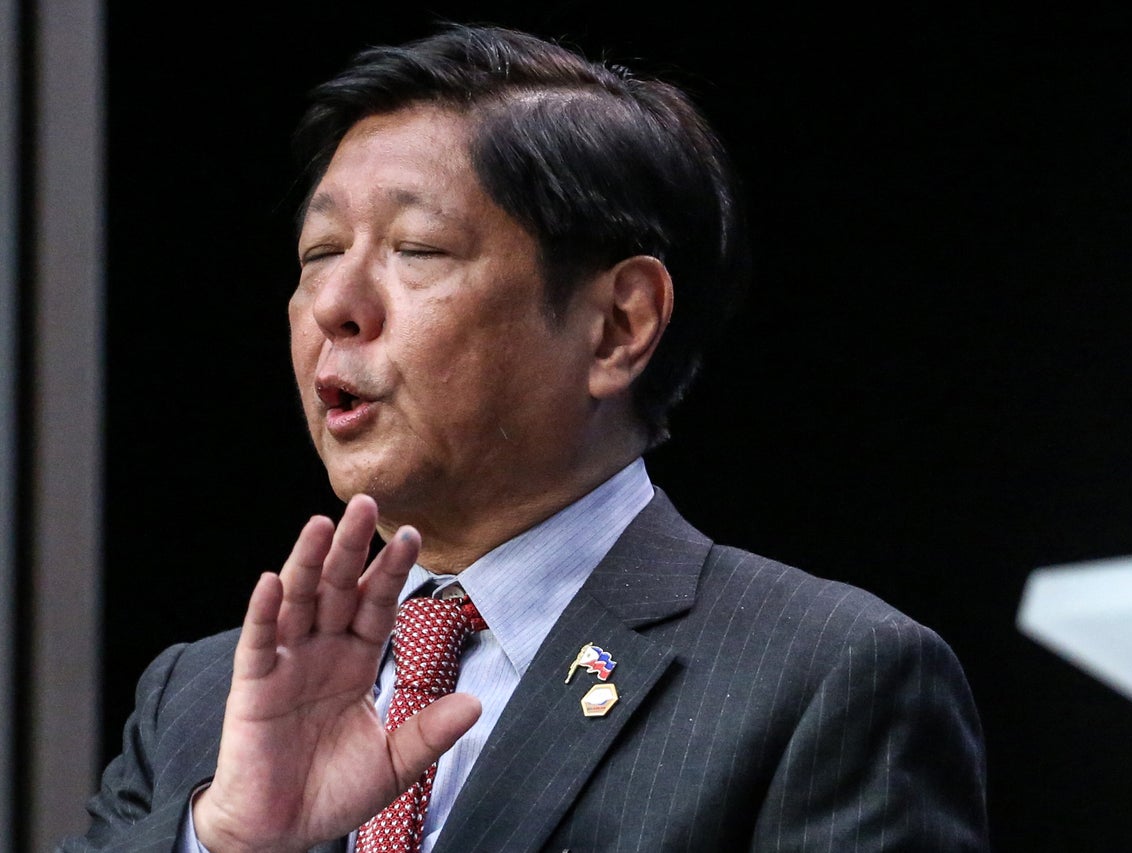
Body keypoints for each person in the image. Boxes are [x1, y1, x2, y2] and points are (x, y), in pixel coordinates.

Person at [60, 22, 989, 853]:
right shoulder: (199, 698)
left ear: (619, 326)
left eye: (416, 250)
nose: (335, 307)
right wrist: (227, 841)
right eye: (318, 255)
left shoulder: (822, 679)